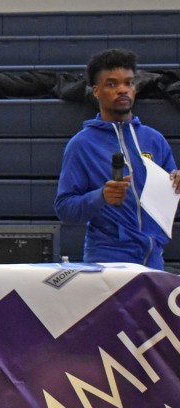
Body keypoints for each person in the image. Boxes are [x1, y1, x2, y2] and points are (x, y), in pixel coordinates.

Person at [55, 48, 180, 270]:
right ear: (96, 91)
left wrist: (177, 184)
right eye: (112, 84)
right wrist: (101, 196)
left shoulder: (155, 140)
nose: (123, 89)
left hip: (153, 262)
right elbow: (64, 209)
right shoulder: (81, 145)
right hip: (107, 262)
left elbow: (171, 202)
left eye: (129, 83)